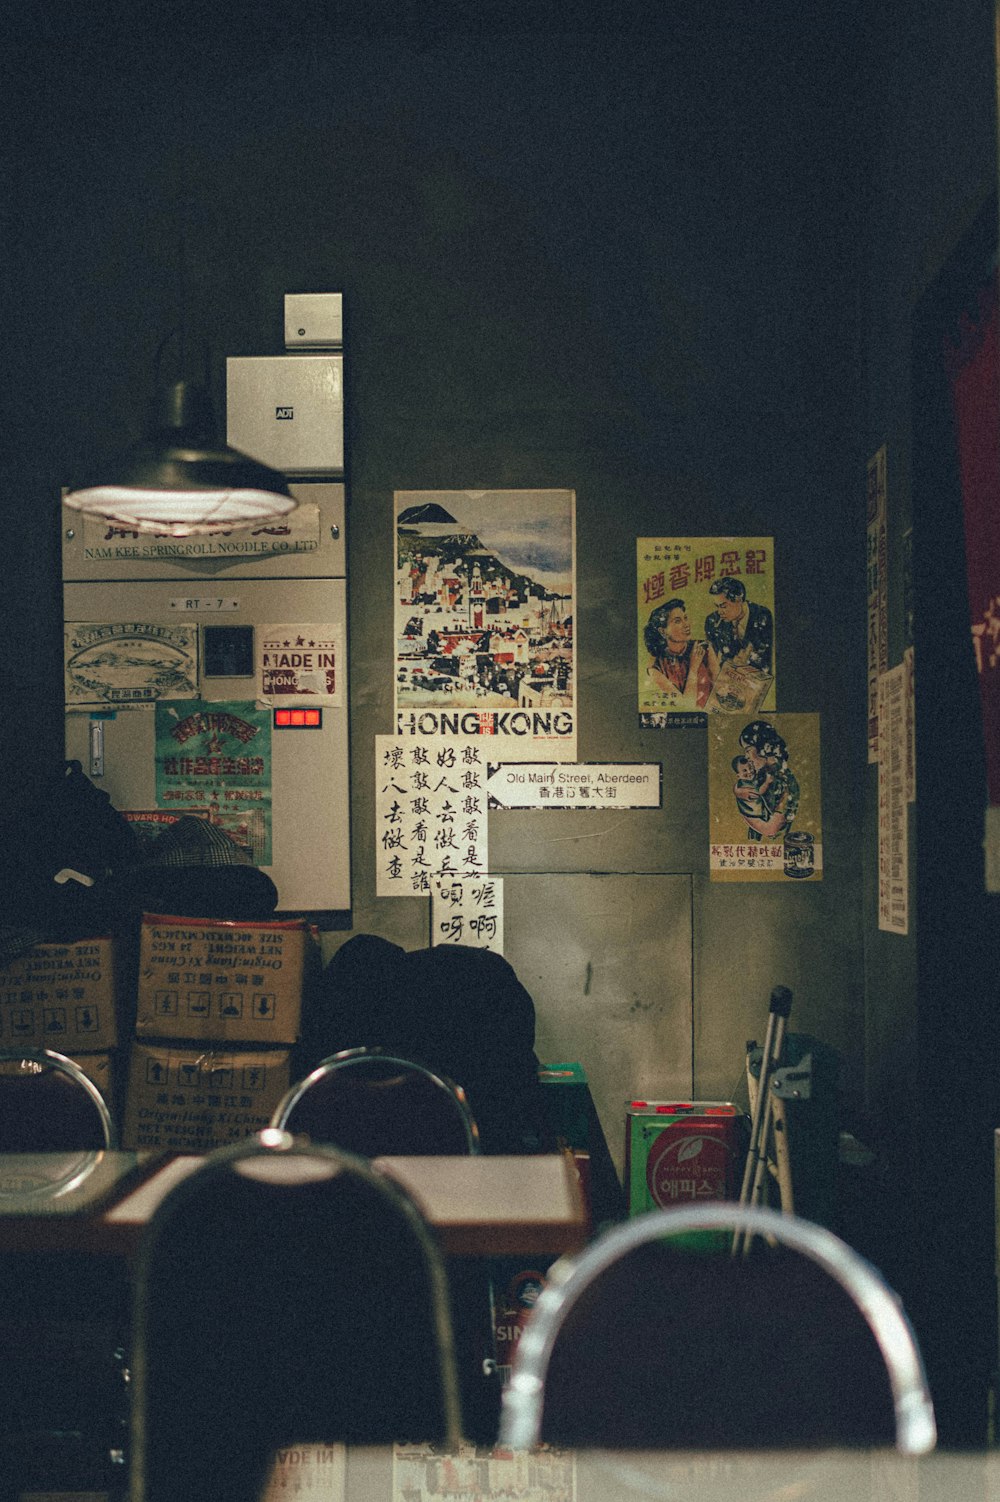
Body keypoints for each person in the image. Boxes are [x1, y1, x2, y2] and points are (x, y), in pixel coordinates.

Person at [734, 720, 799, 840]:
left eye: (748, 750)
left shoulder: (784, 781)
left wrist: (748, 815)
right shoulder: (762, 773)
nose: (746, 757)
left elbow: (773, 827)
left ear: (764, 748)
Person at [643, 599, 713, 708]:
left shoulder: (703, 647)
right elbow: (686, 707)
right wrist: (693, 668)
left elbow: (721, 686)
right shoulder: (656, 668)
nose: (686, 625)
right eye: (677, 621)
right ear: (662, 631)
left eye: (685, 618)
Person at [705, 576, 773, 675]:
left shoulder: (762, 616)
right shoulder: (712, 622)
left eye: (723, 606)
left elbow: (766, 661)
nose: (719, 612)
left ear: (739, 600)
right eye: (717, 606)